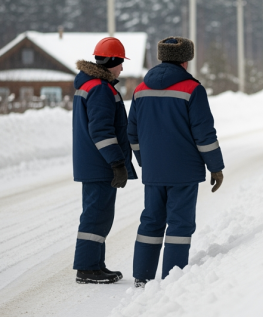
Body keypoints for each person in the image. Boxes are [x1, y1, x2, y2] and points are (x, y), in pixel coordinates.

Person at [127, 36, 225, 287]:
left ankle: (142, 276)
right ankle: (172, 277)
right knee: (179, 224)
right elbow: (204, 134)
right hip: (184, 171)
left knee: (151, 220)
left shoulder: (140, 90)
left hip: (153, 171)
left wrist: (144, 161)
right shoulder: (193, 89)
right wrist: (215, 166)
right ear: (186, 60)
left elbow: (132, 134)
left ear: (161, 57)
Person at [71, 37, 138, 284]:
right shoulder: (100, 89)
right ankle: (87, 269)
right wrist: (116, 163)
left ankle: (95, 264)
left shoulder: (89, 85)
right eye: (120, 63)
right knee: (96, 215)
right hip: (100, 164)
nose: (122, 68)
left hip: (93, 162)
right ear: (112, 61)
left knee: (98, 215)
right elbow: (101, 131)